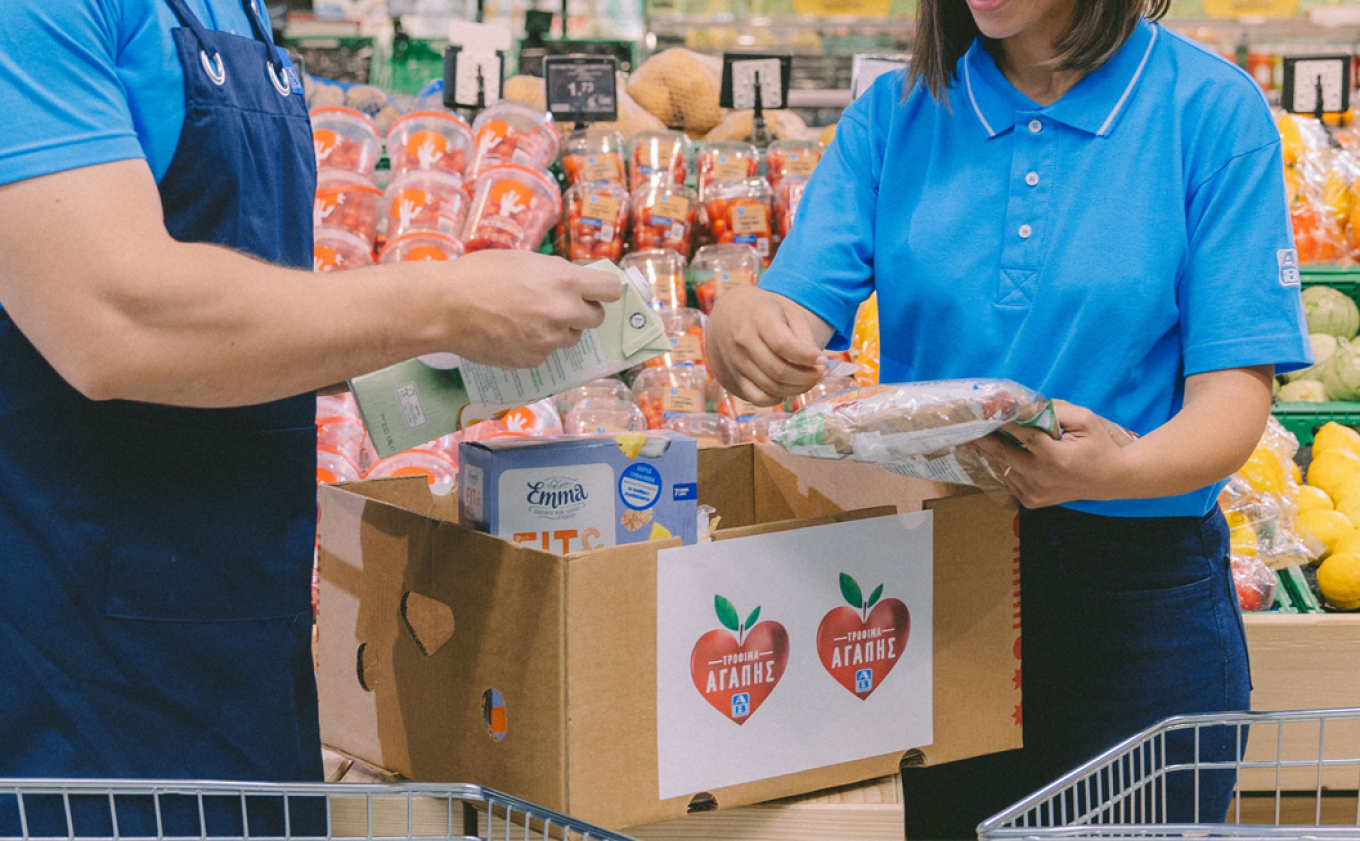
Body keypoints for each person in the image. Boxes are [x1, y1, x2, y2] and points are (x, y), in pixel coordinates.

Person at [706, 0, 1311, 836]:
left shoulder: (1207, 109)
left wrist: (1117, 471)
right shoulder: (898, 111)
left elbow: (1235, 398)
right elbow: (792, 314)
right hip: (939, 581)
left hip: (1136, 602)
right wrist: (744, 323)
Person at [0, 0, 617, 803]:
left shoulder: (237, 12)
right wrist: (441, 303)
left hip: (245, 634)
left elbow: (241, 315)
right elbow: (112, 319)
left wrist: (434, 364)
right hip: (68, 663)